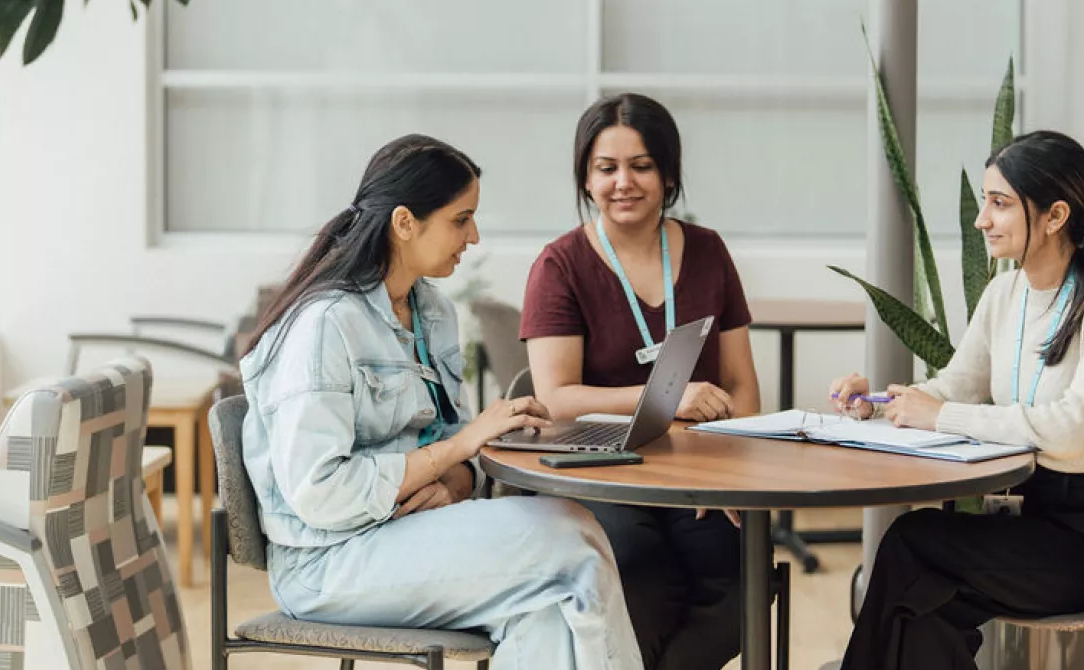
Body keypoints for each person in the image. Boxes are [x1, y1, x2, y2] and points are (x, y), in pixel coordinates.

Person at [239, 134, 643, 670]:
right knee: (573, 544)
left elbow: (453, 454)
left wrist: (453, 479)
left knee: (548, 605)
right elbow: (319, 493)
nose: (474, 236)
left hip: (401, 535)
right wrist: (457, 448)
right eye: (461, 219)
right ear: (405, 223)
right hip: (327, 562)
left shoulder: (432, 312)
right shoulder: (325, 326)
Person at [832, 130, 1084, 669]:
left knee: (913, 544)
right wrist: (877, 404)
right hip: (1038, 522)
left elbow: (1073, 429)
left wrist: (940, 414)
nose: (981, 219)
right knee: (924, 605)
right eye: (985, 201)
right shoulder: (1005, 292)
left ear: (1055, 215)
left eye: (1000, 203)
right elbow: (954, 388)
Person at [521, 93, 759, 670]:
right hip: (594, 469)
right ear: (586, 177)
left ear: (669, 173)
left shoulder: (707, 251)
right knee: (641, 571)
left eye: (641, 166)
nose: (623, 182)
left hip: (697, 469)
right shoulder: (560, 265)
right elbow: (556, 399)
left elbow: (740, 383)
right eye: (606, 168)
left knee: (735, 573)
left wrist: (741, 477)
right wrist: (665, 396)